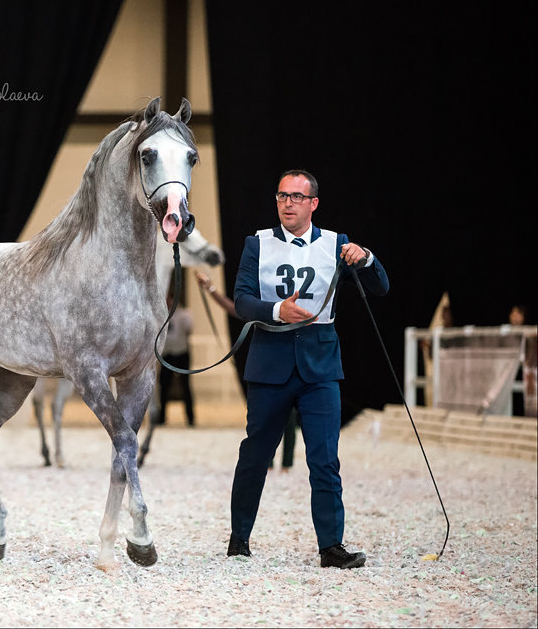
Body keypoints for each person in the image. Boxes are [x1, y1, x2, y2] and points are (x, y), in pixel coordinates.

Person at [226, 169, 389, 569]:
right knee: (255, 454)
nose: (288, 203)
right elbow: (242, 299)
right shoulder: (257, 244)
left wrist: (366, 259)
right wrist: (276, 309)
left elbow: (380, 287)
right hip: (270, 362)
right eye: (282, 196)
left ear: (313, 203)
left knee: (324, 458)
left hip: (319, 366)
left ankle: (331, 546)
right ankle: (239, 539)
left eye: (297, 197)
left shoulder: (337, 244)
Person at [195, 269, 299, 473]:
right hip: (265, 366)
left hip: (287, 364)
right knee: (263, 417)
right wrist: (210, 288)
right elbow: (232, 308)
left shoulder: (292, 309)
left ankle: (286, 464)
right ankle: (267, 462)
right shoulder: (262, 309)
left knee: (289, 418)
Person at [158, 294, 196, 427]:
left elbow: (189, 329)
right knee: (163, 385)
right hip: (167, 355)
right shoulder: (161, 314)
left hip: (181, 353)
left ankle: (191, 418)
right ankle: (162, 417)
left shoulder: (184, 314)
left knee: (186, 386)